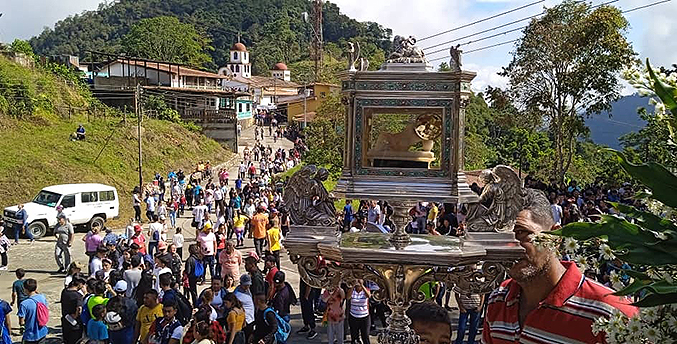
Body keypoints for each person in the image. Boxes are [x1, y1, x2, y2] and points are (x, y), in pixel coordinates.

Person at [482, 189, 638, 343]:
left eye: (522, 232)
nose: (510, 245)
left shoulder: (612, 314)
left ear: (555, 237)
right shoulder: (499, 299)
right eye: (500, 235)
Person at [18, 278, 48, 344]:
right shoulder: (42, 297)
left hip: (30, 335)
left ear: (25, 289)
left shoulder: (24, 304)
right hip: (42, 332)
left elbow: (21, 322)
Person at [348, 279, 371, 344]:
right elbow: (348, 297)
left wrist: (362, 285)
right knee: (354, 337)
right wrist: (353, 286)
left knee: (365, 336)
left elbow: (368, 296)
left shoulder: (366, 290)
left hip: (364, 317)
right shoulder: (352, 291)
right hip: (353, 316)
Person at [234, 275, 255, 342]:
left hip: (250, 319)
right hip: (245, 321)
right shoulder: (237, 294)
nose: (247, 287)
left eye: (248, 285)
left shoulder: (247, 290)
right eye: (245, 285)